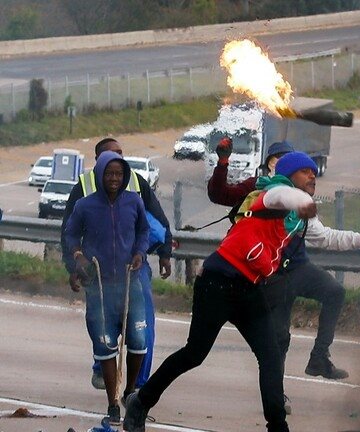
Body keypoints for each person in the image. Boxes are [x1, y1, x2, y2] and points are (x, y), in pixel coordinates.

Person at [123, 152, 321, 432]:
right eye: (305, 171)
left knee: (270, 356)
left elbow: (320, 234)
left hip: (249, 287)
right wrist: (302, 201)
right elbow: (281, 197)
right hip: (219, 281)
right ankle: (140, 402)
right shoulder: (270, 195)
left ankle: (278, 427)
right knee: (194, 354)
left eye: (314, 172)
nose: (312, 175)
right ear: (289, 177)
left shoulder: (296, 219)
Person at [208, 140, 360, 384]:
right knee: (279, 338)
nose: (311, 176)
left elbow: (327, 237)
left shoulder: (301, 206)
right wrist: (223, 163)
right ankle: (276, 392)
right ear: (273, 165)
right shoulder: (262, 192)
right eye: (280, 159)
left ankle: (319, 357)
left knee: (334, 291)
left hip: (297, 268)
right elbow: (221, 195)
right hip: (272, 275)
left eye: (312, 171)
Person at [61, 138, 173, 391]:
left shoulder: (136, 183)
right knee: (102, 324)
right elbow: (68, 231)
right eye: (111, 156)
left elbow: (156, 221)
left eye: (121, 155)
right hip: (98, 272)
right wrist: (74, 266)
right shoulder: (84, 187)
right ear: (98, 161)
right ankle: (102, 366)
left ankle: (137, 387)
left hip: (133, 268)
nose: (118, 161)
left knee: (142, 329)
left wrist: (164, 252)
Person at [63, 151, 149, 425]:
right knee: (105, 346)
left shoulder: (134, 202)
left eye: (119, 174)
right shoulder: (85, 206)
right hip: (99, 287)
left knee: (138, 343)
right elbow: (70, 234)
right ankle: (112, 403)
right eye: (109, 173)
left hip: (130, 283)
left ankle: (130, 393)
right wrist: (77, 257)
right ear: (100, 174)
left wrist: (140, 254)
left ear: (124, 177)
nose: (114, 178)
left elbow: (144, 232)